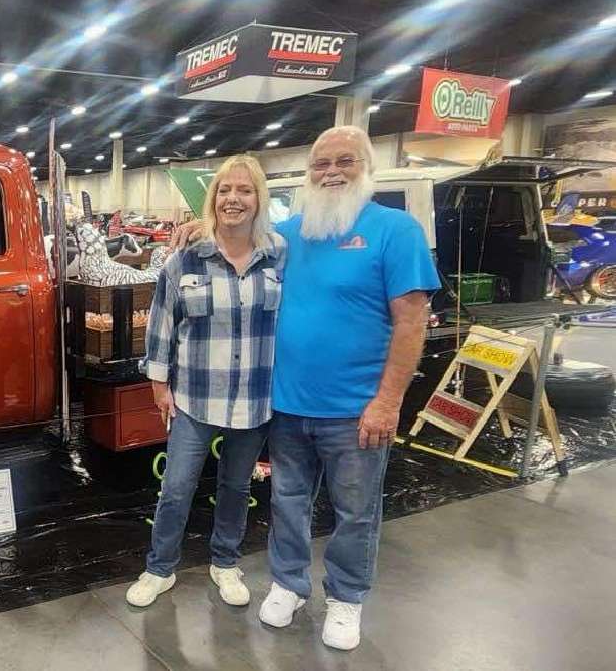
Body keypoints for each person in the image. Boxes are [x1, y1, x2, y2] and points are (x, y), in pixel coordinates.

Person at [172, 126, 440, 651]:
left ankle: (345, 598)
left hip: (358, 409)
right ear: (308, 173)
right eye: (321, 163)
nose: (331, 171)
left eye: (345, 161)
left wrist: (387, 403)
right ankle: (289, 583)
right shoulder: (288, 234)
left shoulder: (394, 230)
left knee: (355, 510)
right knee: (289, 501)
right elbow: (234, 239)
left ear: (367, 167)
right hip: (288, 405)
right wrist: (196, 227)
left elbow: (411, 322)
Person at [126, 155, 286, 609]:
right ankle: (159, 568)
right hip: (195, 398)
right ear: (212, 198)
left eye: (245, 190)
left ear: (259, 199)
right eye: (224, 190)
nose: (233, 199)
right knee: (176, 488)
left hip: (255, 401)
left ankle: (225, 562)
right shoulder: (186, 260)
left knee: (236, 488)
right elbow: (161, 324)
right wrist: (159, 386)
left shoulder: (278, 254)